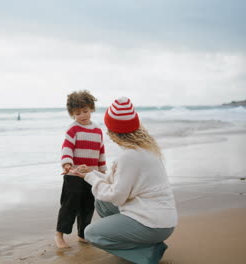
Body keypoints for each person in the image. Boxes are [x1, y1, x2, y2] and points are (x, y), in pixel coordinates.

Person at [69, 97, 178, 264]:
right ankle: (139, 242)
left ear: (114, 131)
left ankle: (147, 252)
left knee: (91, 233)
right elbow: (120, 182)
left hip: (153, 224)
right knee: (102, 203)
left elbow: (118, 196)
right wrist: (93, 173)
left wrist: (89, 177)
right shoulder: (145, 148)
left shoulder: (129, 156)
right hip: (162, 219)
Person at [55, 90, 107, 248]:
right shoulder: (73, 130)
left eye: (85, 111)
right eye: (78, 113)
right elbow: (67, 148)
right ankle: (60, 234)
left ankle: (83, 234)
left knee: (88, 204)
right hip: (73, 174)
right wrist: (67, 164)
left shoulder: (97, 130)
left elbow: (101, 151)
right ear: (72, 114)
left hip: (90, 175)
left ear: (91, 108)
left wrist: (102, 170)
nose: (83, 115)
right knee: (70, 204)